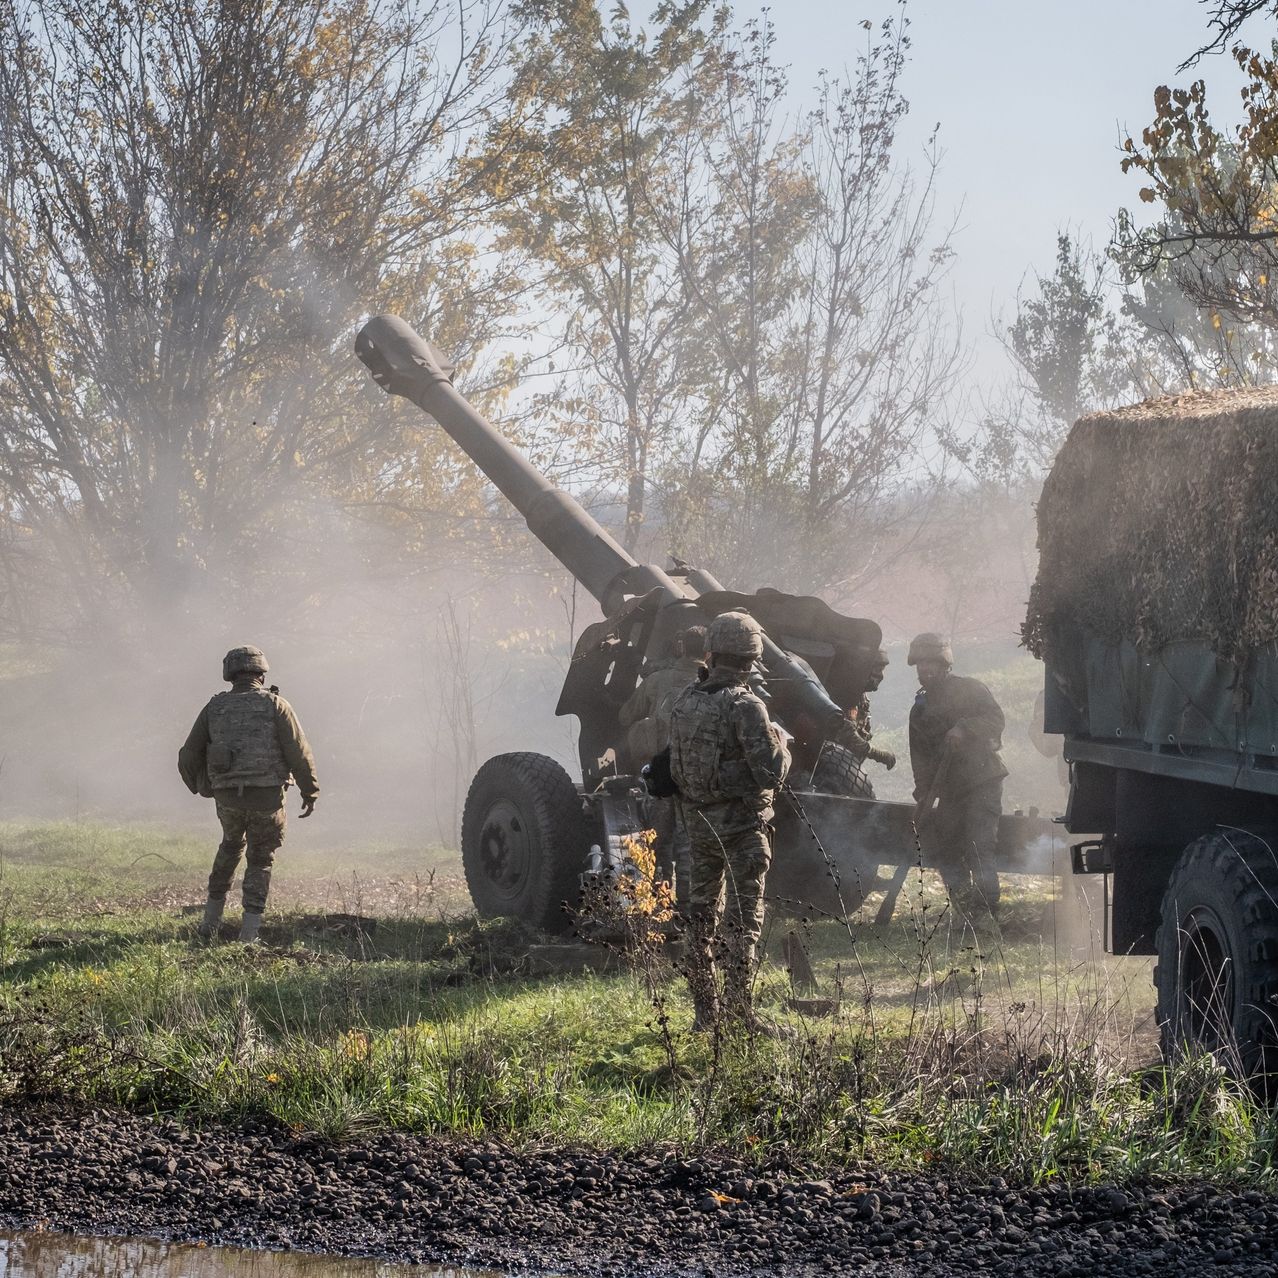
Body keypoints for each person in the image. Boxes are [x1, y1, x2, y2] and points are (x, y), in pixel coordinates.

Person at [668, 611, 790, 1030]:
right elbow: (770, 773)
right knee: (743, 921)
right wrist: (782, 746)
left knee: (700, 919)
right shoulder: (746, 706)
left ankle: (705, 1015)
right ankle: (740, 1013)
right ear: (752, 656)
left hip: (699, 826)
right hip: (741, 829)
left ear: (712, 651)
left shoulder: (685, 700)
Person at [178, 646, 319, 942]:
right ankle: (249, 933)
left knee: (230, 847)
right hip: (267, 798)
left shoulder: (213, 708)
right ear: (261, 674)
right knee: (260, 859)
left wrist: (203, 787)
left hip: (227, 799)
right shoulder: (276, 705)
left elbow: (188, 756)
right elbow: (298, 752)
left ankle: (209, 924)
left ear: (230, 674)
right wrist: (310, 791)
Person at [907, 633, 1006, 916]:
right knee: (947, 850)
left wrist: (965, 728)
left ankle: (986, 913)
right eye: (920, 664)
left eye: (931, 663)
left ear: (945, 664)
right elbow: (919, 757)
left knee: (979, 846)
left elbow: (996, 720)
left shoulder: (971, 689)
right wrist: (923, 793)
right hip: (949, 788)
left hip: (981, 781)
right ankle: (965, 913)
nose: (925, 669)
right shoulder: (920, 710)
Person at [619, 625, 706, 905]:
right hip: (696, 779)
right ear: (708, 652)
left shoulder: (657, 681)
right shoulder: (714, 686)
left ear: (681, 647)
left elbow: (625, 715)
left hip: (660, 777)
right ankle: (689, 908)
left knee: (658, 843)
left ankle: (660, 904)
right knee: (689, 845)